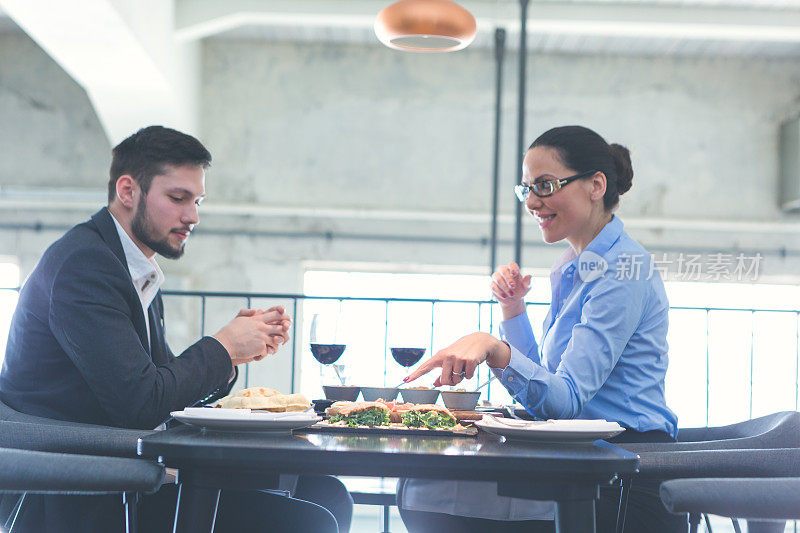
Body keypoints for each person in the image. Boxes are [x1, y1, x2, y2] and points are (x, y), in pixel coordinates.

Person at [0, 125, 352, 533]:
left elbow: (164, 383)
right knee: (311, 521)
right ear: (128, 191)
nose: (193, 216)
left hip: (131, 471)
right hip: (86, 491)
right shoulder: (84, 267)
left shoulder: (132, 267)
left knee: (326, 491)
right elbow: (143, 403)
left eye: (197, 200)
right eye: (178, 198)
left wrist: (232, 354)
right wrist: (222, 348)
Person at [398, 125, 685, 533]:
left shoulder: (622, 269)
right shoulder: (572, 263)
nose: (532, 202)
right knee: (424, 488)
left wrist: (495, 348)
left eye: (546, 186)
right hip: (582, 461)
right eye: (527, 188)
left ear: (596, 185)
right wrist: (513, 310)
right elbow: (548, 387)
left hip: (623, 479)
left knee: (429, 495)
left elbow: (563, 401)